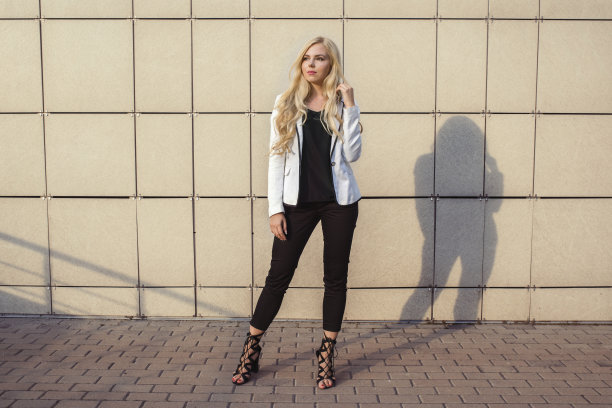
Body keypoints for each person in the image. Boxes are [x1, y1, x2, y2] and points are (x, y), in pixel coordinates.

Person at [231, 36, 363, 390]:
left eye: (319, 58)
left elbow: (353, 154)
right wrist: (275, 209)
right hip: (296, 205)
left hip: (339, 204)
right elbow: (276, 158)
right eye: (306, 58)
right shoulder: (286, 102)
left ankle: (326, 354)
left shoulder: (342, 103)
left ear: (331, 64)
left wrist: (351, 105)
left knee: (335, 278)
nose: (311, 64)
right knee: (278, 276)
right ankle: (251, 348)